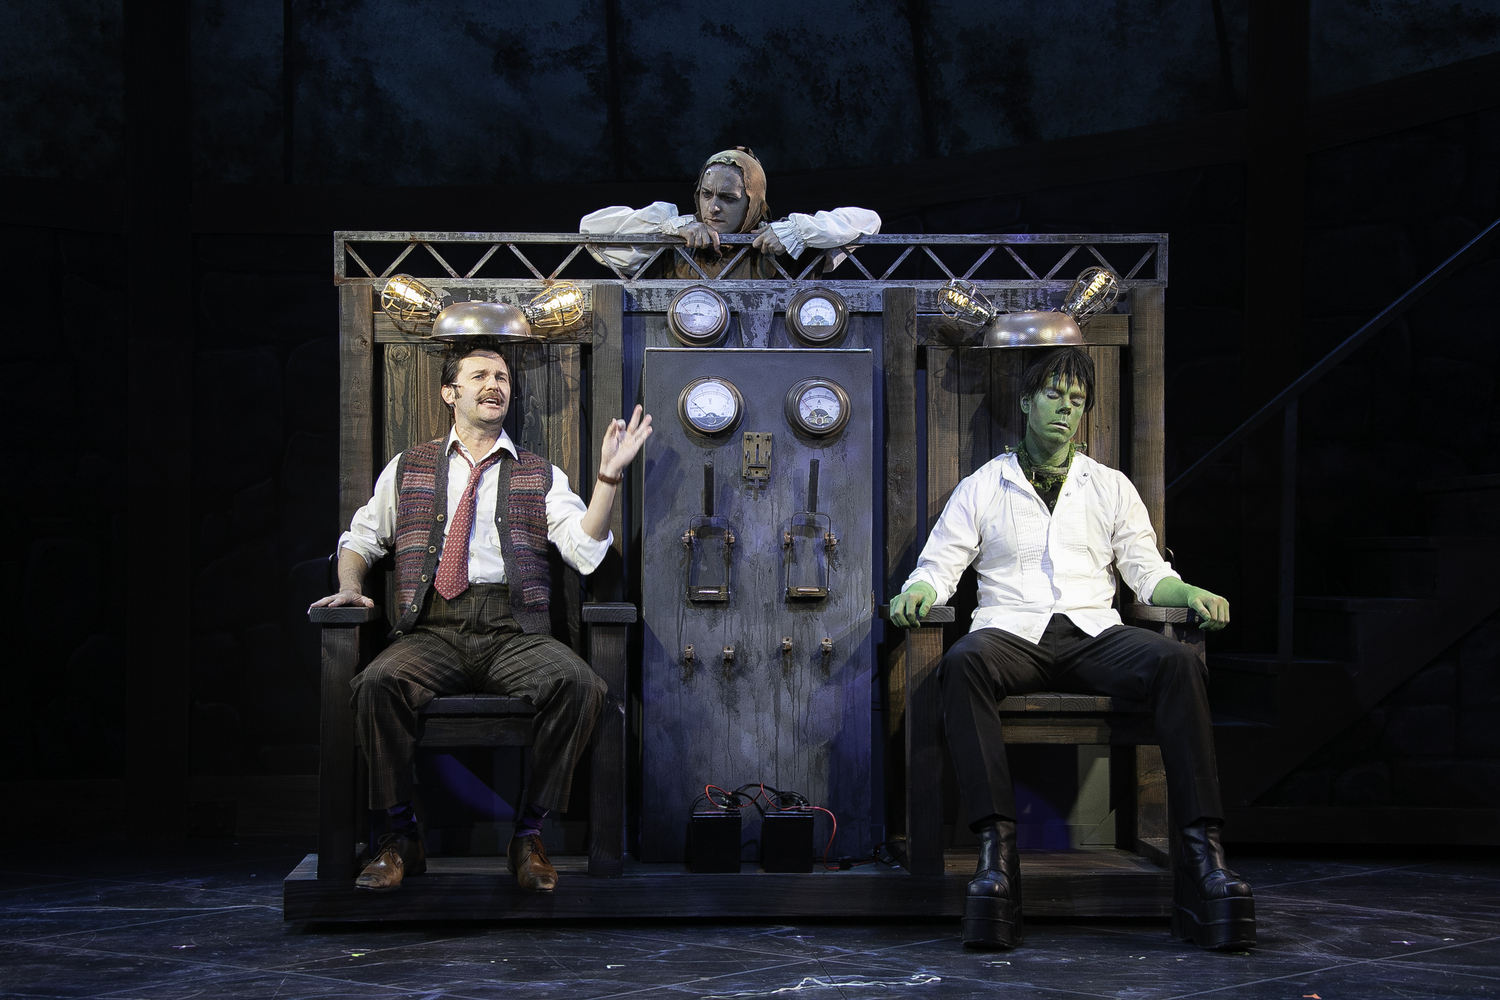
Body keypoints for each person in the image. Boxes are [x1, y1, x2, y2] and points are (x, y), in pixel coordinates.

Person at [888, 347, 1255, 952]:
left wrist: (1185, 590)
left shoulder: (1109, 486)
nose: (1067, 408)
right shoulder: (985, 484)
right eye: (1055, 395)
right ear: (1027, 403)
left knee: (1177, 663)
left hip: (1093, 633)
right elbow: (941, 563)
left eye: (1077, 400)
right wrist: (919, 591)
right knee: (961, 663)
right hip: (1011, 633)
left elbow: (1145, 571)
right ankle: (997, 859)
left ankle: (1205, 859)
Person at [312, 339, 652, 893]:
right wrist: (351, 587)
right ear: (451, 393)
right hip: (432, 628)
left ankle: (529, 835)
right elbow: (362, 539)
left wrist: (608, 479)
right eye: (479, 376)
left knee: (579, 685)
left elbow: (585, 550)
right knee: (375, 684)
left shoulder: (540, 473)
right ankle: (401, 838)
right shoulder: (410, 466)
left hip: (512, 630)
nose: (494, 385)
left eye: (502, 377)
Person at [580, 146, 881, 279]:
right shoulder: (672, 244)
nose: (713, 207)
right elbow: (589, 229)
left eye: (728, 198)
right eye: (706, 194)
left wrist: (795, 232)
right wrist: (669, 229)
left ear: (751, 204)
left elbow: (869, 221)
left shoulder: (786, 247)